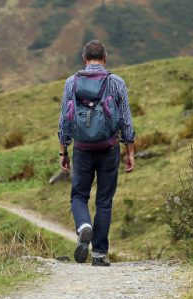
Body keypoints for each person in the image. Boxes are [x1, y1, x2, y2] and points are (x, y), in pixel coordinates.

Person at [58, 40, 135, 266]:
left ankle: (84, 226)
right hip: (109, 148)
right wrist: (129, 150)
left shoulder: (71, 83)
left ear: (84, 58)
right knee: (104, 201)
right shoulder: (116, 82)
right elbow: (125, 120)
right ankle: (99, 254)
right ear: (105, 57)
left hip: (82, 148)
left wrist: (63, 151)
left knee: (79, 196)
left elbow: (65, 119)